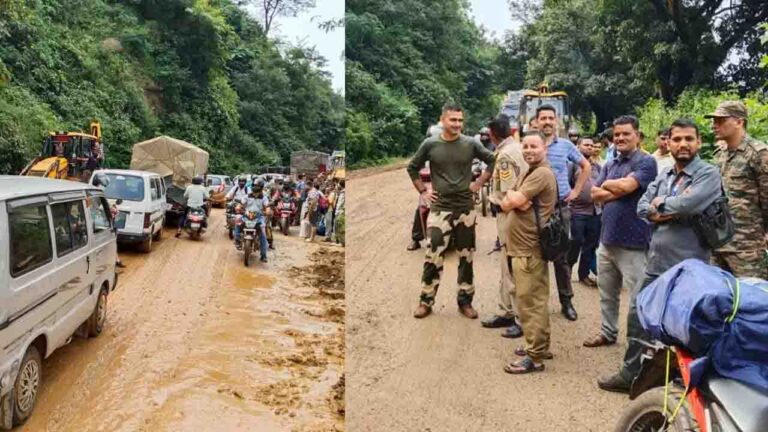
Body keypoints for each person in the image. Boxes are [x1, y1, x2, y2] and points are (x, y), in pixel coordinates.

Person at [597, 118, 723, 393]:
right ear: (669, 142)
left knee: (686, 325)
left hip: (690, 265)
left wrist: (662, 206)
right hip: (656, 262)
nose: (683, 144)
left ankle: (687, 384)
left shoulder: (708, 174)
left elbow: (690, 203)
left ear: (699, 142)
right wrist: (667, 209)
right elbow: (643, 207)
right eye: (677, 139)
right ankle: (631, 374)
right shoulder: (664, 175)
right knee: (638, 316)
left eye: (689, 139)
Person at [407, 102, 495, 319]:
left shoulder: (470, 144)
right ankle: (426, 301)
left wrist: (479, 184)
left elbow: (492, 160)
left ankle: (465, 302)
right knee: (433, 255)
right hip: (440, 209)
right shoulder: (430, 144)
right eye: (453, 120)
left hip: (465, 208)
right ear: (442, 120)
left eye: (460, 120)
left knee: (466, 257)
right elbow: (412, 167)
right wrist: (423, 191)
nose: (457, 124)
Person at [583, 115, 657, 348]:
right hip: (607, 240)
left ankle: (639, 343)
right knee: (607, 293)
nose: (621, 138)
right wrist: (618, 189)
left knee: (638, 297)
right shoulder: (611, 164)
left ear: (637, 135)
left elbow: (629, 186)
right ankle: (608, 332)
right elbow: (593, 194)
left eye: (626, 133)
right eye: (617, 135)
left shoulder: (646, 162)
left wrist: (613, 187)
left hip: (634, 242)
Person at [499, 131, 557, 374]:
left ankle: (535, 357)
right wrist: (515, 198)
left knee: (529, 302)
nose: (529, 150)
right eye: (525, 146)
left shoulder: (542, 173)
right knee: (534, 299)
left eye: (534, 146)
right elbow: (505, 201)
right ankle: (539, 345)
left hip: (528, 249)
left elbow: (512, 200)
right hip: (521, 248)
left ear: (544, 148)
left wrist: (515, 198)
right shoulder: (528, 171)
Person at [537, 104, 591, 321]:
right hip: (535, 210)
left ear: (556, 121)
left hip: (561, 208)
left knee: (561, 257)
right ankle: (536, 305)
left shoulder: (566, 145)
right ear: (536, 122)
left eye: (551, 118)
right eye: (543, 118)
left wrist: (576, 191)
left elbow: (586, 166)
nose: (547, 122)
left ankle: (566, 301)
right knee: (536, 257)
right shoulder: (530, 145)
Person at [707, 101, 768, 279]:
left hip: (747, 245)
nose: (714, 125)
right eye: (714, 120)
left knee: (754, 297)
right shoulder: (720, 154)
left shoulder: (758, 154)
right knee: (719, 297)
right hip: (718, 242)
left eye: (720, 120)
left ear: (739, 122)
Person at [481, 114, 528, 338]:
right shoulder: (514, 148)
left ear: (491, 134)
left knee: (511, 267)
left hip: (509, 215)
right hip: (508, 215)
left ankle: (519, 318)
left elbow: (509, 193)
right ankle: (507, 310)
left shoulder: (507, 154)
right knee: (505, 264)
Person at [567, 136, 602, 288]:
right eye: (586, 144)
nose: (589, 147)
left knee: (591, 244)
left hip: (595, 211)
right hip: (577, 211)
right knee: (576, 241)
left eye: (591, 145)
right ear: (578, 147)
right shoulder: (572, 165)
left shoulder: (597, 167)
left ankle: (584, 275)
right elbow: (566, 185)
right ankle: (566, 271)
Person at [236, 185, 270, 262]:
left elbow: (267, 206)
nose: (255, 194)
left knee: (263, 235)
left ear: (260, 191)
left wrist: (267, 210)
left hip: (259, 217)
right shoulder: (247, 196)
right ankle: (237, 240)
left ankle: (263, 255)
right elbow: (240, 204)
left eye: (257, 192)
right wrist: (238, 207)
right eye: (254, 192)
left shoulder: (264, 198)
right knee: (238, 222)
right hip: (247, 216)